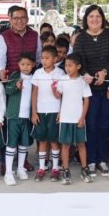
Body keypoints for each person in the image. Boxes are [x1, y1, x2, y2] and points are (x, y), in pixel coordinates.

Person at [73, 4, 109, 177]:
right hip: (88, 89)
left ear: (103, 19)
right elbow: (78, 58)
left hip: (107, 87)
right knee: (90, 124)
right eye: (91, 16)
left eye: (98, 16)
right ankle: (91, 160)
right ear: (86, 19)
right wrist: (85, 73)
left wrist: (104, 72)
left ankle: (102, 159)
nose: (94, 19)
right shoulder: (81, 38)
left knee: (104, 124)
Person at [31, 45, 66, 182]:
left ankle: (56, 168)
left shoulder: (60, 73)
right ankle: (41, 168)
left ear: (55, 59)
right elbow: (34, 93)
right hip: (40, 111)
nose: (44, 61)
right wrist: (34, 112)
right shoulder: (38, 73)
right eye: (42, 58)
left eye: (47, 58)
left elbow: (63, 95)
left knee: (54, 141)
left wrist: (61, 111)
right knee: (42, 141)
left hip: (54, 111)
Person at [57, 53, 94, 184]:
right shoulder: (62, 79)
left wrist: (82, 117)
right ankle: (65, 170)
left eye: (70, 65)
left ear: (78, 66)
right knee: (65, 145)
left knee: (81, 144)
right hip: (65, 118)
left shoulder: (83, 81)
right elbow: (58, 96)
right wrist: (53, 89)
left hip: (78, 118)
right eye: (66, 65)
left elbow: (86, 100)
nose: (67, 68)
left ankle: (84, 169)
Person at [3, 52, 36, 186]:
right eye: (23, 64)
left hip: (27, 117)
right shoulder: (15, 76)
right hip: (13, 116)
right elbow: (7, 90)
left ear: (33, 65)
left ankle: (21, 168)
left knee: (23, 144)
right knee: (11, 144)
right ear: (18, 65)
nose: (25, 67)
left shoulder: (35, 78)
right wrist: (15, 86)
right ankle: (9, 172)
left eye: (28, 64)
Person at [0, 5, 40, 80]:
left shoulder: (35, 35)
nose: (19, 21)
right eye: (16, 18)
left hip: (32, 79)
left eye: (23, 17)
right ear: (10, 20)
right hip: (11, 81)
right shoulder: (3, 37)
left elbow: (38, 58)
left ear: (27, 19)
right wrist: (1, 72)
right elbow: (0, 59)